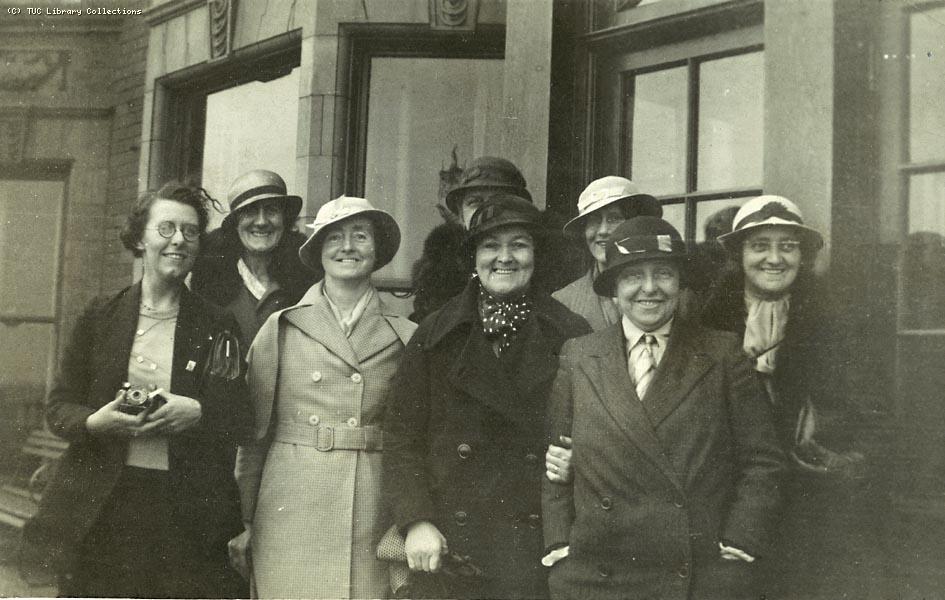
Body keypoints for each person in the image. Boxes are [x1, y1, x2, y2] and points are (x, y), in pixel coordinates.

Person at [24, 183, 253, 598]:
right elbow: (58, 406)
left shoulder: (217, 323)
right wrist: (95, 421)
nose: (178, 240)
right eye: (166, 228)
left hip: (185, 510)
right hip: (104, 504)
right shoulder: (100, 315)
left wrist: (198, 412)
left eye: (190, 231)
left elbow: (240, 417)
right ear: (141, 237)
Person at [542, 216, 786, 600]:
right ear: (614, 288)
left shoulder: (722, 354)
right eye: (632, 276)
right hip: (596, 574)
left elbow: (763, 461)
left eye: (663, 274)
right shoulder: (579, 355)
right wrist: (558, 544)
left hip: (697, 572)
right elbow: (556, 459)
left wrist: (741, 538)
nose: (649, 289)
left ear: (679, 283)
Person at [383, 194, 591, 599]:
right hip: (449, 543)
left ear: (536, 255)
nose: (504, 258)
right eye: (491, 246)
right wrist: (416, 521)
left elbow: (595, 431)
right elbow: (401, 437)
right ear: (474, 257)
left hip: (538, 543)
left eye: (519, 245)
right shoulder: (434, 333)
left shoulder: (571, 333)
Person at [230, 195, 417, 599]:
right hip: (291, 502)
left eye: (360, 236)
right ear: (318, 252)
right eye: (334, 237)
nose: (347, 247)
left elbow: (413, 443)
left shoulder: (406, 336)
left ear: (378, 249)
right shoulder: (282, 328)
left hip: (371, 502)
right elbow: (254, 438)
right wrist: (245, 520)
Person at [701, 195, 865, 597]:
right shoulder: (706, 323)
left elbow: (855, 412)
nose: (774, 259)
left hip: (808, 499)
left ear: (801, 256)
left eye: (787, 246)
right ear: (739, 254)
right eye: (760, 246)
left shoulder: (833, 324)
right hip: (728, 497)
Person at [191, 169, 314, 347]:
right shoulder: (209, 279)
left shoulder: (307, 277)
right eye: (250, 211)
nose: (261, 221)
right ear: (235, 223)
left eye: (271, 210)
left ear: (285, 220)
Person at [410, 156, 532, 322]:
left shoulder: (531, 263)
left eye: (498, 200)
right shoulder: (437, 273)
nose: (485, 210)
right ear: (460, 215)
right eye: (475, 202)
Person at [552, 176, 662, 331]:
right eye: (595, 220)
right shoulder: (562, 301)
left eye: (614, 218)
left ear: (636, 225)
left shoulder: (671, 296)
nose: (603, 231)